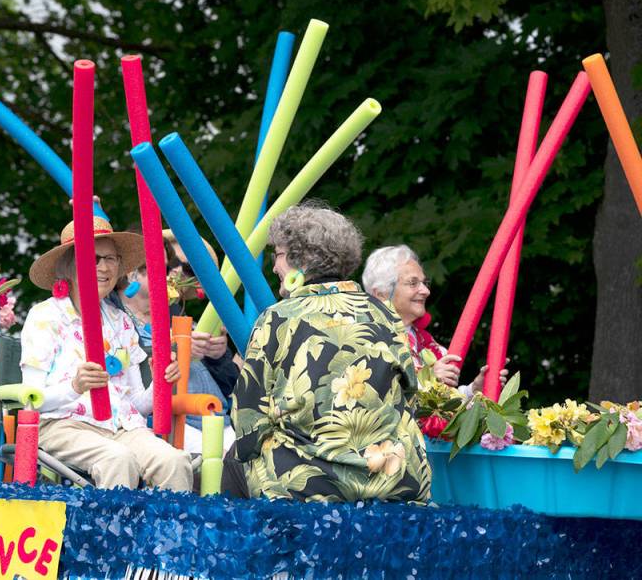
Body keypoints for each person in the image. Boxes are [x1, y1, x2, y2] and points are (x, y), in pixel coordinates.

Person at [225, 201, 430, 502]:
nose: (275, 267)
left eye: (278, 254)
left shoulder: (277, 319)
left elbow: (247, 416)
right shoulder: (385, 315)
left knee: (234, 459)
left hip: (306, 485)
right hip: (391, 479)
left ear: (300, 259)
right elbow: (411, 395)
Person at [21, 217, 192, 491]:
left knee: (175, 461)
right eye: (94, 258)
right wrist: (75, 387)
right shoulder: (44, 316)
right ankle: (109, 523)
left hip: (122, 428)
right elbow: (31, 400)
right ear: (69, 266)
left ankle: (169, 522)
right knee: (118, 459)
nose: (104, 267)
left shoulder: (120, 321)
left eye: (111, 258)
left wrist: (160, 380)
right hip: (64, 426)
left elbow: (138, 405)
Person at [109, 229, 236, 455]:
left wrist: (217, 357)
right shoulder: (111, 317)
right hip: (164, 423)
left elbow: (230, 385)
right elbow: (126, 377)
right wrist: (180, 350)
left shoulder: (182, 317)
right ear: (131, 270)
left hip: (215, 417)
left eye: (171, 267)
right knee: (226, 461)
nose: (172, 274)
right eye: (161, 266)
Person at [362, 245, 507, 393]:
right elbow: (375, 398)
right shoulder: (364, 341)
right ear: (381, 294)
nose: (426, 291)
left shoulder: (430, 346)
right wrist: (430, 380)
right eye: (413, 283)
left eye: (424, 283)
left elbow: (445, 403)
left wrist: (475, 390)